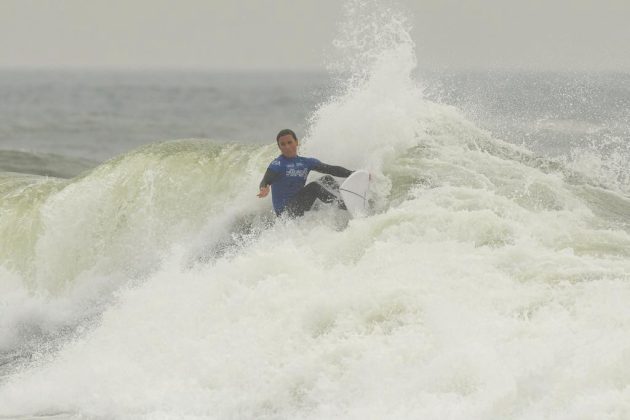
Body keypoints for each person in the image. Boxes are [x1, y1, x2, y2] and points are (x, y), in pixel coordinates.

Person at [258, 129, 353, 217]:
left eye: (289, 142)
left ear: (296, 142)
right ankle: (344, 206)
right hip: (285, 213)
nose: (287, 146)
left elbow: (331, 169)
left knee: (327, 179)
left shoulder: (306, 162)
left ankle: (348, 198)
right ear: (279, 147)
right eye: (283, 144)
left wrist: (352, 173)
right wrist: (263, 188)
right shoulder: (277, 164)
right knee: (314, 187)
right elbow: (266, 180)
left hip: (299, 204)